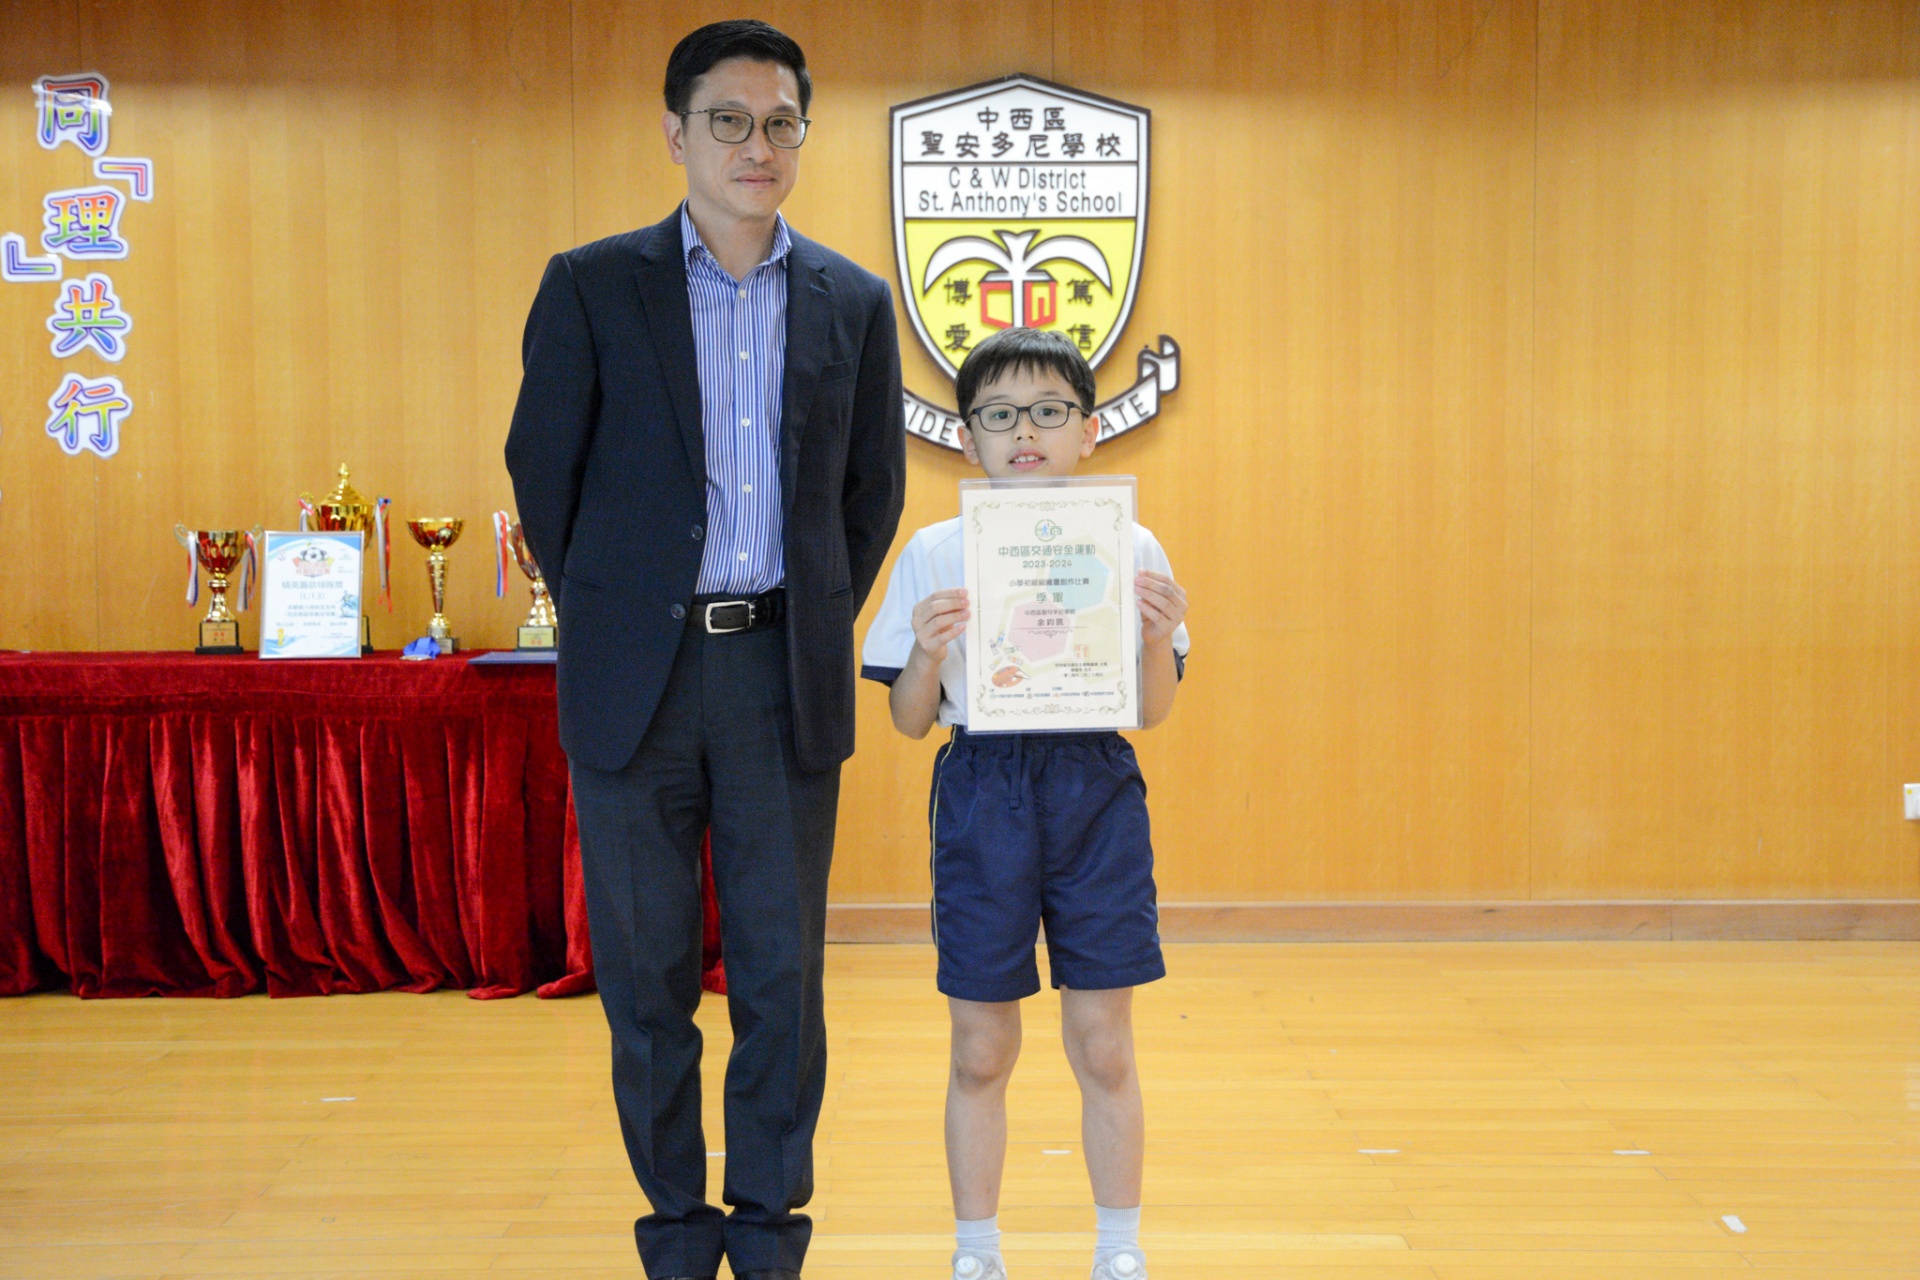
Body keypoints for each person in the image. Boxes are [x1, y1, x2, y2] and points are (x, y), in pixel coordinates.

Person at [503, 19, 905, 1280]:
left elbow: (871, 495)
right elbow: (543, 471)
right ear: (676, 133)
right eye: (729, 120)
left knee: (783, 974)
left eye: (780, 122)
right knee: (646, 974)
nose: (756, 145)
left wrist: (806, 616)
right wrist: (624, 612)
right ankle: (676, 1223)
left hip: (781, 675)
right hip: (639, 679)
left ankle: (771, 1225)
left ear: (802, 136)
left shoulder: (852, 299)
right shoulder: (591, 285)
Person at [860, 328, 1190, 1280]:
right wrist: (927, 654)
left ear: (1090, 430)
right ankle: (978, 1252)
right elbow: (909, 721)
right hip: (983, 787)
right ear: (967, 439)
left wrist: (1155, 637)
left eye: (1049, 411)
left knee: (1104, 1042)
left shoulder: (1130, 541)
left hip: (1095, 786)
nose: (1025, 432)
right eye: (999, 416)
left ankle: (1119, 1248)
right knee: (980, 1046)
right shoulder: (933, 551)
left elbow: (1152, 711)